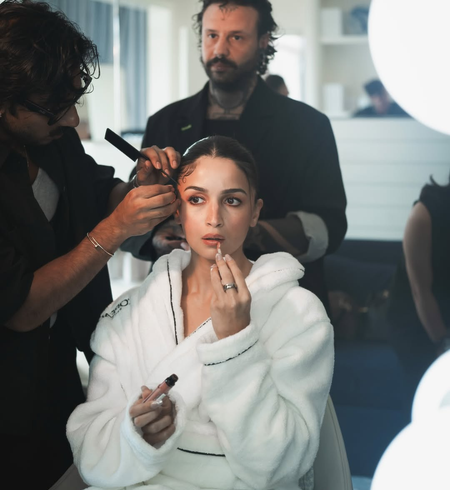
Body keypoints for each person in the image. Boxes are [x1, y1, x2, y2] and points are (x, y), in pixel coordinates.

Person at [11, 136, 334, 490]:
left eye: (232, 201)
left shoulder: (297, 312)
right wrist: (135, 433)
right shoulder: (132, 310)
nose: (214, 218)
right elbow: (91, 445)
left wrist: (236, 343)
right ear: (176, 210)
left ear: (255, 212)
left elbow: (280, 463)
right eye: (197, 199)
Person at [0, 0, 180, 490]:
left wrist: (138, 187)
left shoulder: (53, 142)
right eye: (55, 107)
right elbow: (22, 306)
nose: (73, 119)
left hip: (60, 372)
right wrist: (116, 228)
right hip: (7, 392)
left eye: (74, 100)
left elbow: (97, 195)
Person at [125, 0, 347, 307]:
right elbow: (129, 215)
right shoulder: (165, 121)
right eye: (212, 35)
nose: (220, 49)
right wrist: (155, 236)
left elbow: (329, 228)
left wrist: (243, 233)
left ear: (263, 41)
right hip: (179, 301)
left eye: (236, 37)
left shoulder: (308, 126)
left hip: (278, 302)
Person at [387, 175, 450, 423]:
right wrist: (443, 344)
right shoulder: (423, 215)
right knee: (427, 399)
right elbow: (420, 291)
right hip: (415, 321)